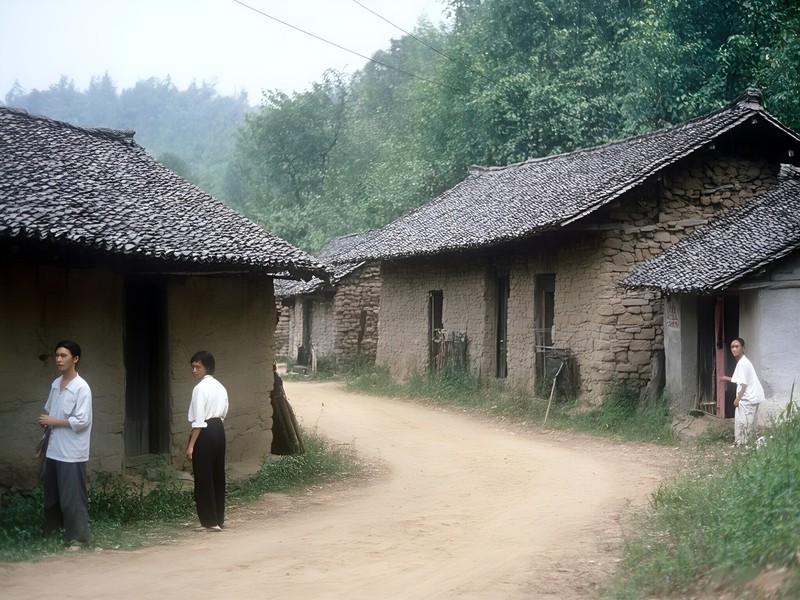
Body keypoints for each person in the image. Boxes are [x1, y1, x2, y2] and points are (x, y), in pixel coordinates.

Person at [38, 340, 92, 547]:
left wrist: (52, 421)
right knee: (51, 496)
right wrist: (46, 421)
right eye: (57, 355)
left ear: (75, 359)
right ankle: (52, 534)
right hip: (54, 448)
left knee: (72, 498)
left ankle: (78, 539)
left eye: (64, 355)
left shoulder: (82, 388)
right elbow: (50, 411)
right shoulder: (55, 384)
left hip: (71, 451)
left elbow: (81, 421)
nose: (59, 359)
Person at [186, 350, 228, 531]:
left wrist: (191, 446)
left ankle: (209, 521)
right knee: (217, 474)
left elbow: (199, 420)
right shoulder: (220, 387)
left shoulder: (199, 389)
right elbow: (225, 411)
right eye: (193, 366)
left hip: (205, 431)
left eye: (198, 366)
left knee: (203, 476)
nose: (195, 370)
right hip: (219, 429)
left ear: (207, 367)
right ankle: (218, 518)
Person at [721, 337, 764, 446]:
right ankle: (745, 444)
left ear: (743, 348)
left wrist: (737, 399)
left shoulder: (742, 363)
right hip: (753, 396)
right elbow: (740, 379)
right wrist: (725, 378)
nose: (734, 349)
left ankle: (744, 445)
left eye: (737, 346)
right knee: (748, 424)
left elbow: (743, 384)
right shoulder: (743, 362)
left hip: (748, 398)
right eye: (732, 347)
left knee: (744, 423)